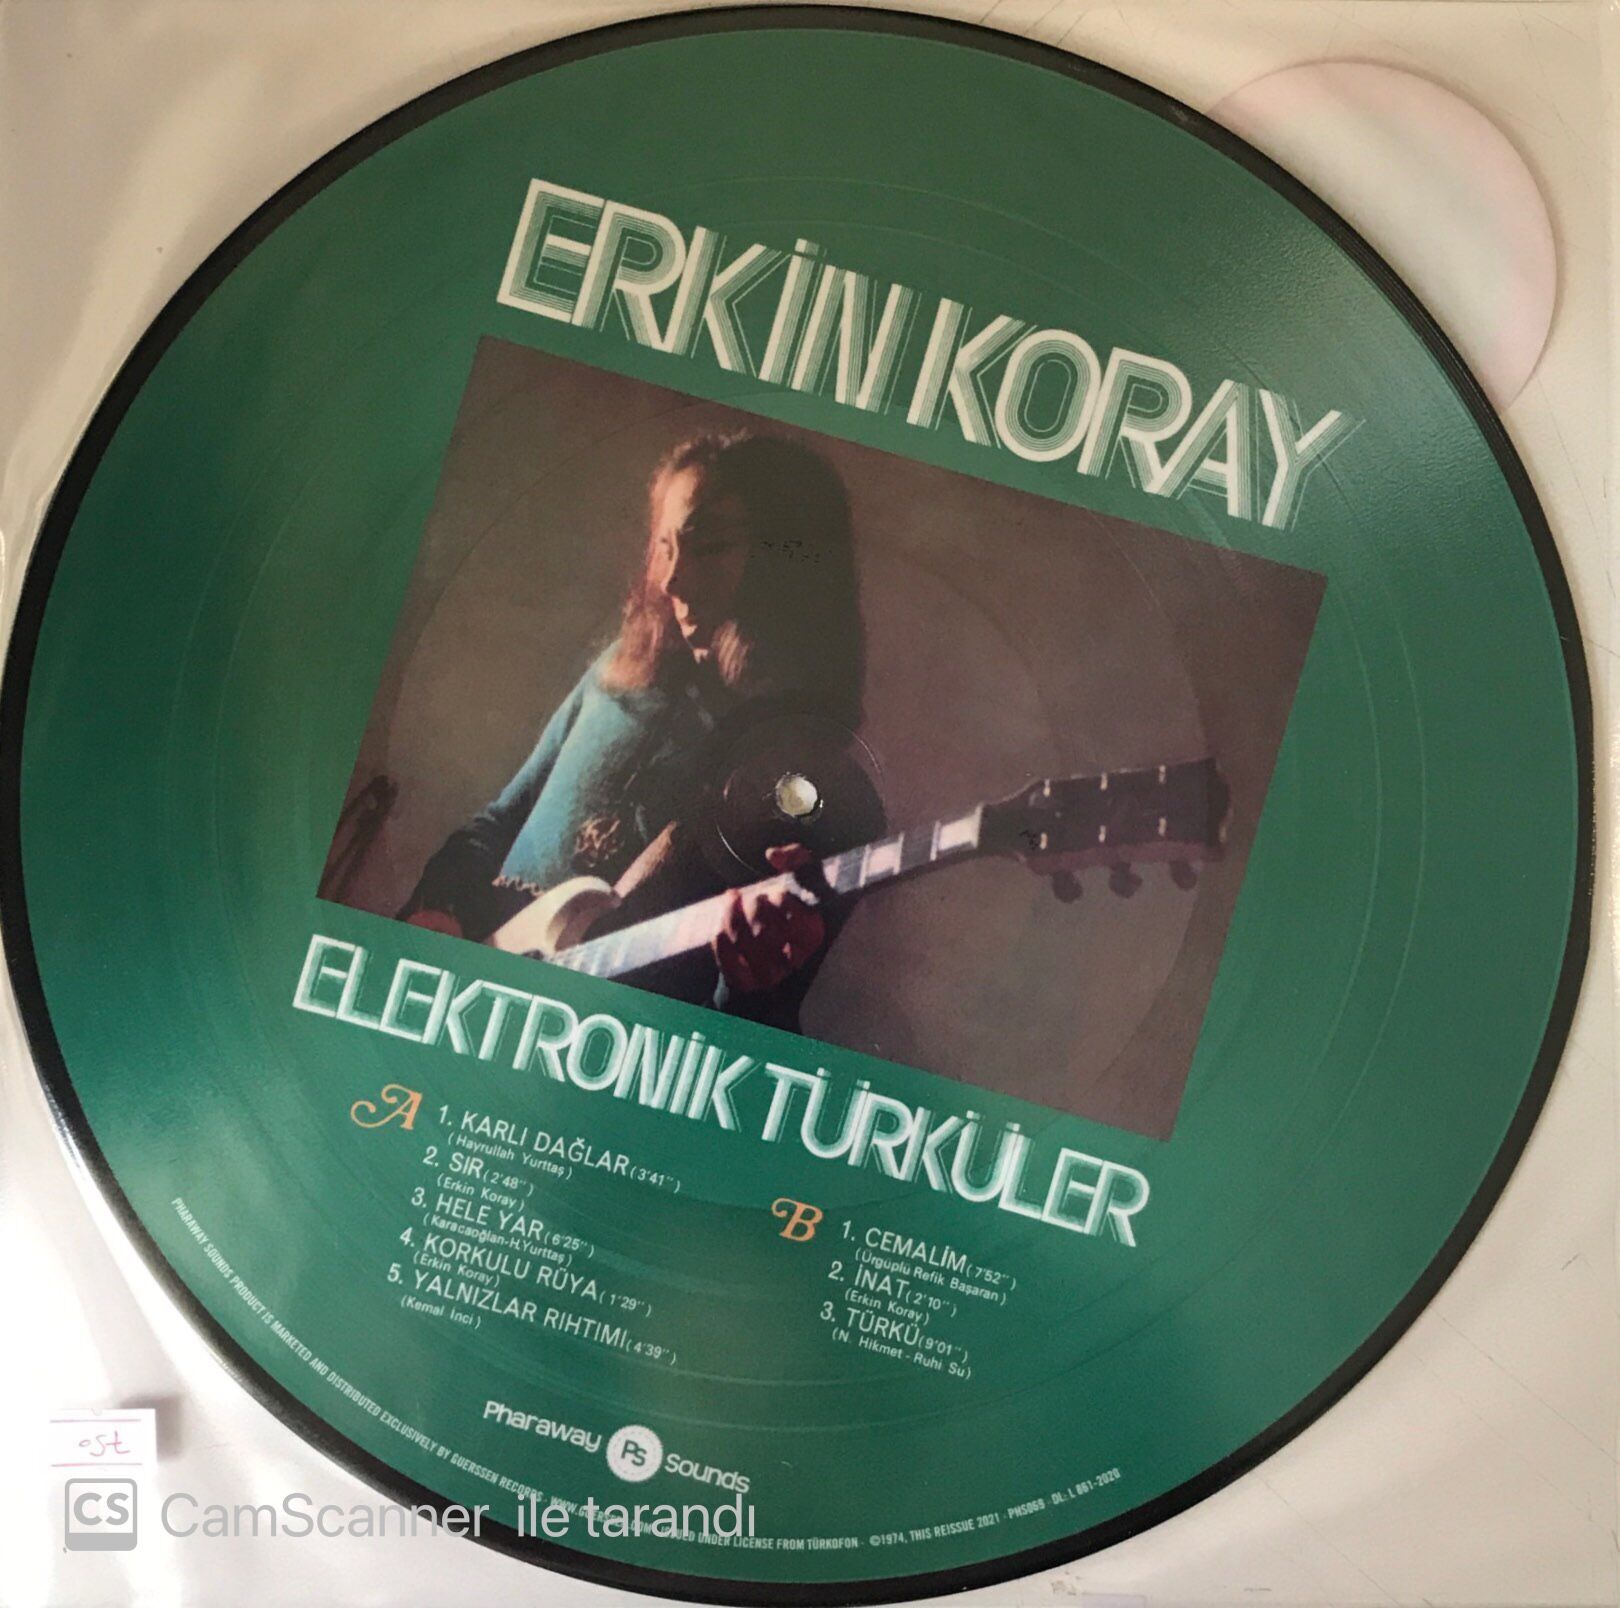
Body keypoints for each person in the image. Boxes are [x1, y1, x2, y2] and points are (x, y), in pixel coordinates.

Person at [400, 429, 880, 1028]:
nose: (671, 581)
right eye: (666, 546)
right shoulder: (618, 673)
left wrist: (753, 984)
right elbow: (497, 824)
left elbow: (748, 1027)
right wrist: (437, 910)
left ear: (789, 564)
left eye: (709, 547)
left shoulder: (822, 793)